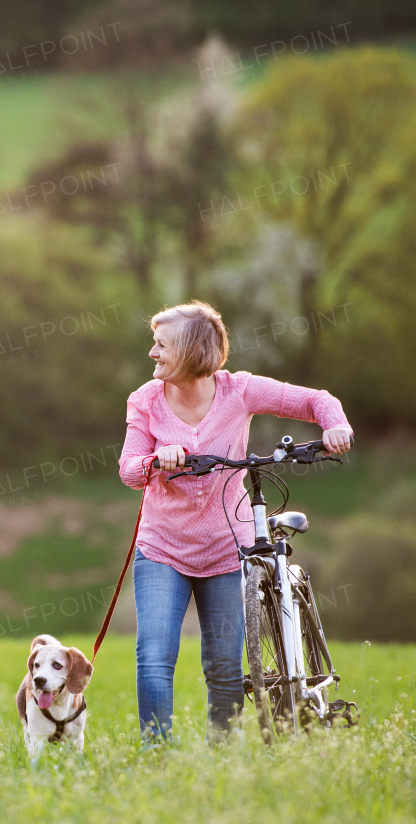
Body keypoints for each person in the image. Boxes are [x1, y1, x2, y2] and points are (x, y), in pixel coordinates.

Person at [117, 301, 354, 742]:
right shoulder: (145, 401)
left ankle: (222, 754)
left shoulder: (239, 390)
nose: (152, 352)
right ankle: (156, 755)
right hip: (162, 547)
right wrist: (156, 460)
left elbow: (314, 400)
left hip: (228, 547)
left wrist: (334, 425)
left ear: (191, 351)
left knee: (225, 665)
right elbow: (129, 470)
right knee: (153, 657)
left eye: (161, 344)